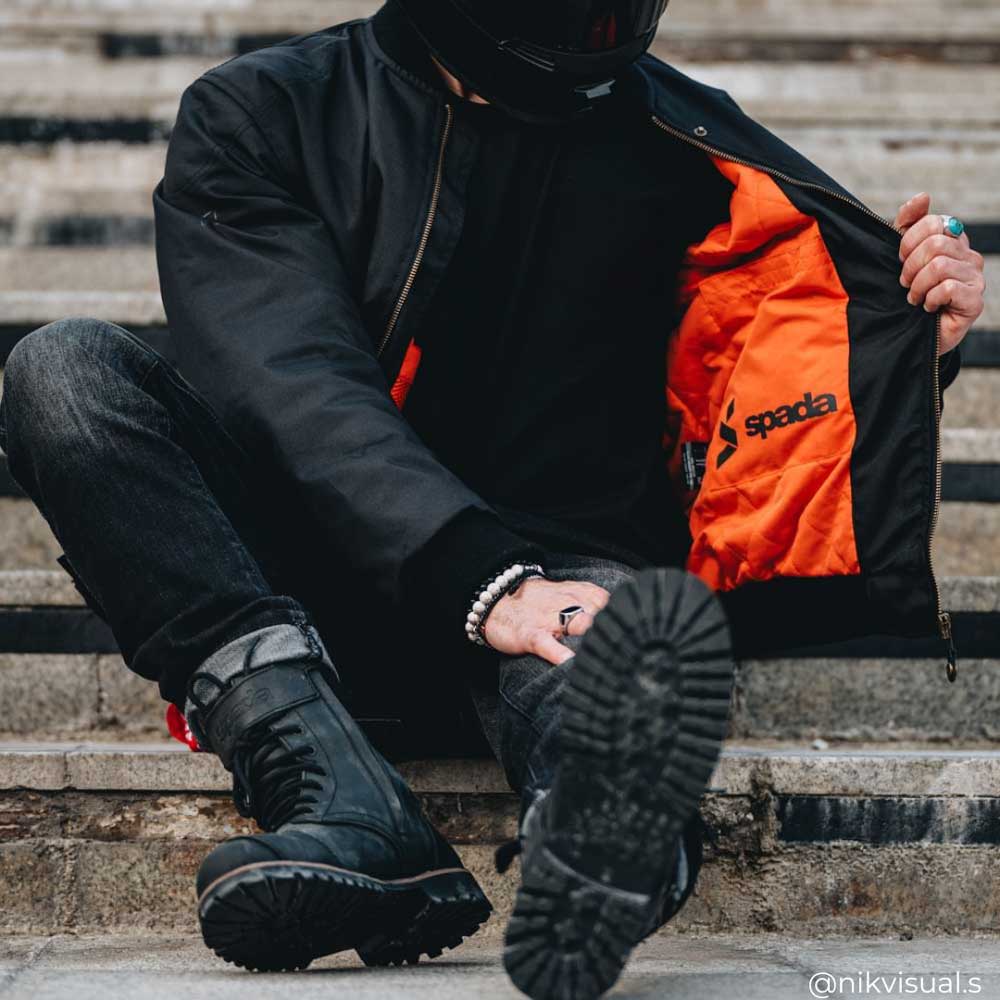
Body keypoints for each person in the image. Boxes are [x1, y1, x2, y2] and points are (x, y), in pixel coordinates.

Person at [0, 1, 985, 998]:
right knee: (66, 371)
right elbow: (290, 382)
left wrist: (906, 343)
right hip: (316, 599)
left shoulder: (687, 142)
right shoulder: (267, 112)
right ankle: (335, 793)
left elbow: (767, 382)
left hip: (573, 594)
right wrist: (481, 576)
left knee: (610, 669)